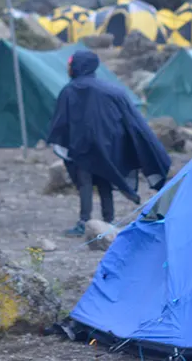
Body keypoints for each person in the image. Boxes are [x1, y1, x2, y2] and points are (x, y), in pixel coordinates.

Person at [46, 50, 171, 237]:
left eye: (71, 64)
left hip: (81, 148)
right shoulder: (112, 90)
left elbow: (61, 121)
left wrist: (63, 143)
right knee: (105, 181)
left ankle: (84, 221)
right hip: (108, 148)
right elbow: (132, 120)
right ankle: (108, 221)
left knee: (85, 183)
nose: (69, 68)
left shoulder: (69, 90)